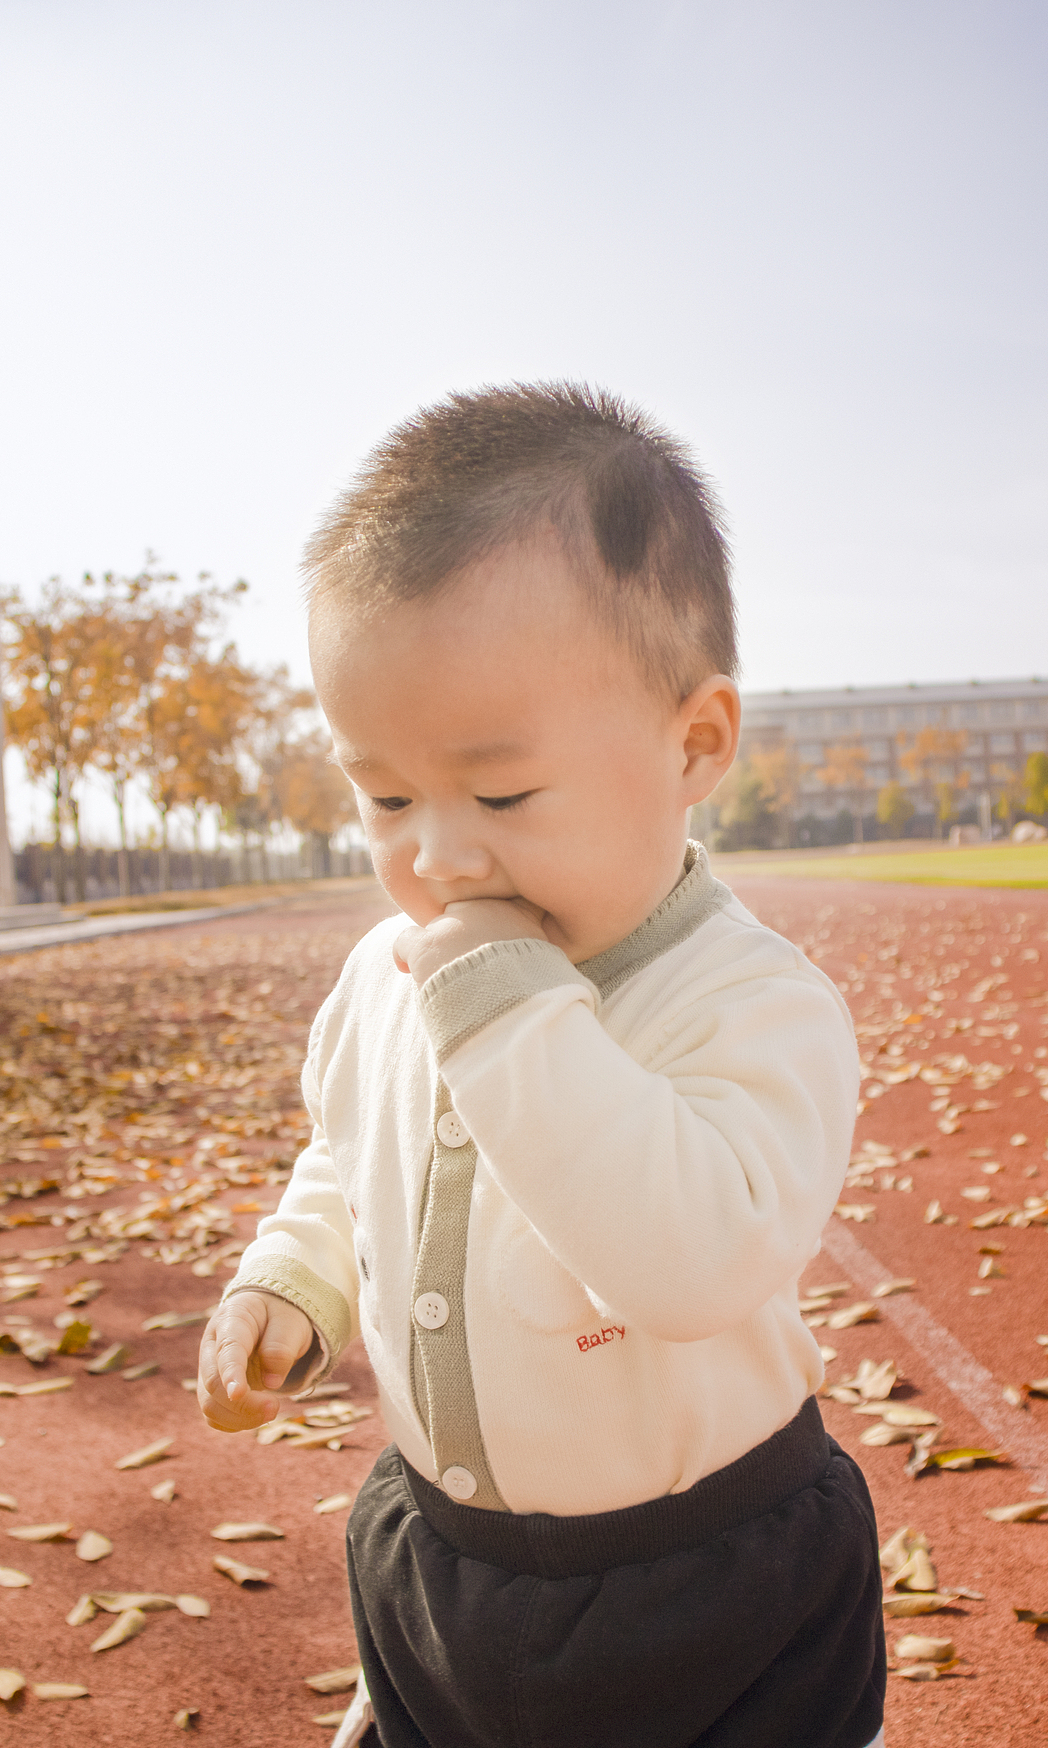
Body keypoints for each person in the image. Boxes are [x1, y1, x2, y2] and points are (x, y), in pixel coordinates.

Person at [197, 383, 884, 1748]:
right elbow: (350, 1148)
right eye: (386, 795)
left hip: (712, 1584)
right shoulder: (389, 978)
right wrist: (299, 1274)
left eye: (501, 795)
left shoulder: (749, 1005)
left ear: (693, 745)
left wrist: (508, 1009)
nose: (437, 855)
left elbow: (692, 1254)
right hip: (443, 1567)